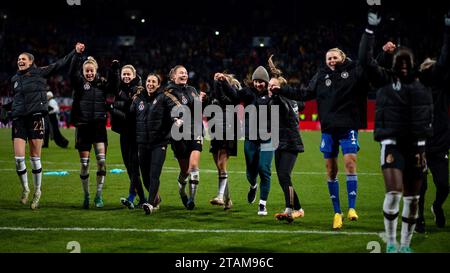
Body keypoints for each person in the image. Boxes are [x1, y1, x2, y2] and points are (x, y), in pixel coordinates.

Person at [273, 29, 371, 229]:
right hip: (328, 129)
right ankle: (337, 212)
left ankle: (352, 207)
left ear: (342, 57)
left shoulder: (354, 72)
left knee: (350, 163)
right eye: (329, 58)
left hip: (348, 126)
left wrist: (384, 54)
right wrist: (282, 89)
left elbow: (370, 67)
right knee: (331, 170)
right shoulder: (321, 76)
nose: (332, 60)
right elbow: (305, 94)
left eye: (335, 57)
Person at [360, 11, 433, 253]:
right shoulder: (385, 80)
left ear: (412, 64)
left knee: (413, 200)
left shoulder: (423, 81)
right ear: (393, 64)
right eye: (398, 63)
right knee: (393, 193)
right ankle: (391, 242)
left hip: (417, 146)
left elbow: (445, 63)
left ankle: (405, 245)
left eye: (406, 63)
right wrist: (370, 30)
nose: (402, 67)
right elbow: (365, 60)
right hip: (391, 143)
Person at [10, 43, 78, 209]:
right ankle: (26, 188)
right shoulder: (15, 79)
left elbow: (59, 64)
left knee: (34, 158)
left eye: (23, 59)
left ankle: (37, 191)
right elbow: (18, 100)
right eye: (18, 59)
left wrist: (74, 52)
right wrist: (7, 109)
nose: (20, 61)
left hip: (35, 119)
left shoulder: (40, 72)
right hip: (19, 120)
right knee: (18, 159)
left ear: (31, 62)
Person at [69, 46, 119, 209]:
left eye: (92, 71)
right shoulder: (78, 83)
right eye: (87, 71)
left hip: (98, 126)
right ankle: (86, 195)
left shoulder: (102, 83)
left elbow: (114, 87)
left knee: (102, 162)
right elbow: (71, 72)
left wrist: (114, 71)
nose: (89, 73)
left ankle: (98, 195)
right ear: (83, 71)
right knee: (84, 164)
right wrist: (77, 56)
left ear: (96, 70)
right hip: (83, 127)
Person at [415, 13, 450, 232]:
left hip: (439, 145)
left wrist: (447, 30)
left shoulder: (441, 88)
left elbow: (445, 59)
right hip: (419, 145)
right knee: (421, 185)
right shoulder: (414, 89)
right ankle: (419, 218)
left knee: (444, 185)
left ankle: (437, 206)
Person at [267, 55, 305, 223]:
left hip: (289, 142)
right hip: (281, 142)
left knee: (284, 176)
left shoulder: (280, 100)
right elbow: (300, 105)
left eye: (273, 86)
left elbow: (280, 104)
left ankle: (289, 209)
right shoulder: (290, 99)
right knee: (283, 177)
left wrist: (276, 93)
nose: (270, 88)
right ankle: (298, 208)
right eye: (269, 86)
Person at [164, 65, 204, 210]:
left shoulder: (192, 90)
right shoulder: (168, 92)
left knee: (193, 166)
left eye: (186, 73)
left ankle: (191, 200)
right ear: (173, 76)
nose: (184, 75)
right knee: (185, 171)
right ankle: (182, 192)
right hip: (178, 135)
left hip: (195, 131)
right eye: (181, 73)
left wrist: (201, 101)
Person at [130, 73, 170, 214]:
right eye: (148, 81)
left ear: (158, 85)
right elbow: (130, 117)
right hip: (142, 143)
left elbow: (175, 109)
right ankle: (156, 199)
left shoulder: (164, 97)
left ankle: (150, 203)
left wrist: (177, 118)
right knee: (145, 177)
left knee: (154, 174)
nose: (150, 84)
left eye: (154, 82)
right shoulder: (138, 99)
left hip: (159, 143)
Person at [238, 65, 274, 216]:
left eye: (262, 81)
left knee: (264, 169)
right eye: (256, 81)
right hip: (251, 138)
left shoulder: (274, 94)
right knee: (251, 173)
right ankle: (253, 186)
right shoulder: (247, 94)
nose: (259, 84)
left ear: (266, 82)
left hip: (268, 138)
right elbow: (232, 95)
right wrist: (221, 83)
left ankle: (262, 204)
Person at [110, 64, 146, 209]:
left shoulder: (138, 90)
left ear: (134, 74)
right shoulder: (121, 88)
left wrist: (112, 110)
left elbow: (130, 114)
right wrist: (114, 71)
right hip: (123, 132)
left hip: (135, 133)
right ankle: (138, 197)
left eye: (128, 74)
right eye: (123, 74)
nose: (125, 77)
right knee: (129, 167)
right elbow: (111, 84)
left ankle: (136, 197)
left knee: (134, 167)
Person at [207, 72, 241, 210]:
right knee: (220, 168)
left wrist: (220, 82)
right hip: (215, 131)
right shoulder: (215, 95)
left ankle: (220, 196)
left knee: (221, 164)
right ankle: (227, 200)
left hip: (229, 130)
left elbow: (226, 97)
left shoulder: (233, 94)